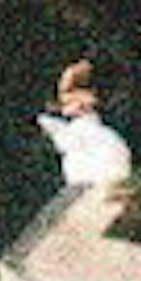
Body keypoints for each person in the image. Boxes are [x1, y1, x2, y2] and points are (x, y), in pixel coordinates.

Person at [36, 58, 134, 190]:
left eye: (71, 91)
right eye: (63, 93)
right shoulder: (71, 130)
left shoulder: (99, 135)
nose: (64, 98)